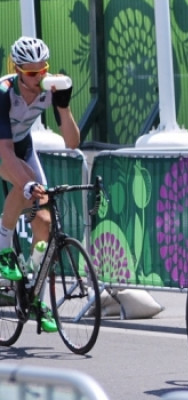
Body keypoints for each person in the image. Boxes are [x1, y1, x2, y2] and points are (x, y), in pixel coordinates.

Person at [0, 36, 80, 333]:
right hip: (2, 148)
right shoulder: (4, 93)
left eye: (42, 70)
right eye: (31, 73)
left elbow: (72, 143)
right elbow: (5, 152)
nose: (38, 78)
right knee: (26, 190)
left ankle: (35, 293)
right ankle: (3, 248)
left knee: (44, 221)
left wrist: (65, 107)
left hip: (23, 146)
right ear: (17, 69)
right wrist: (26, 186)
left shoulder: (51, 88)